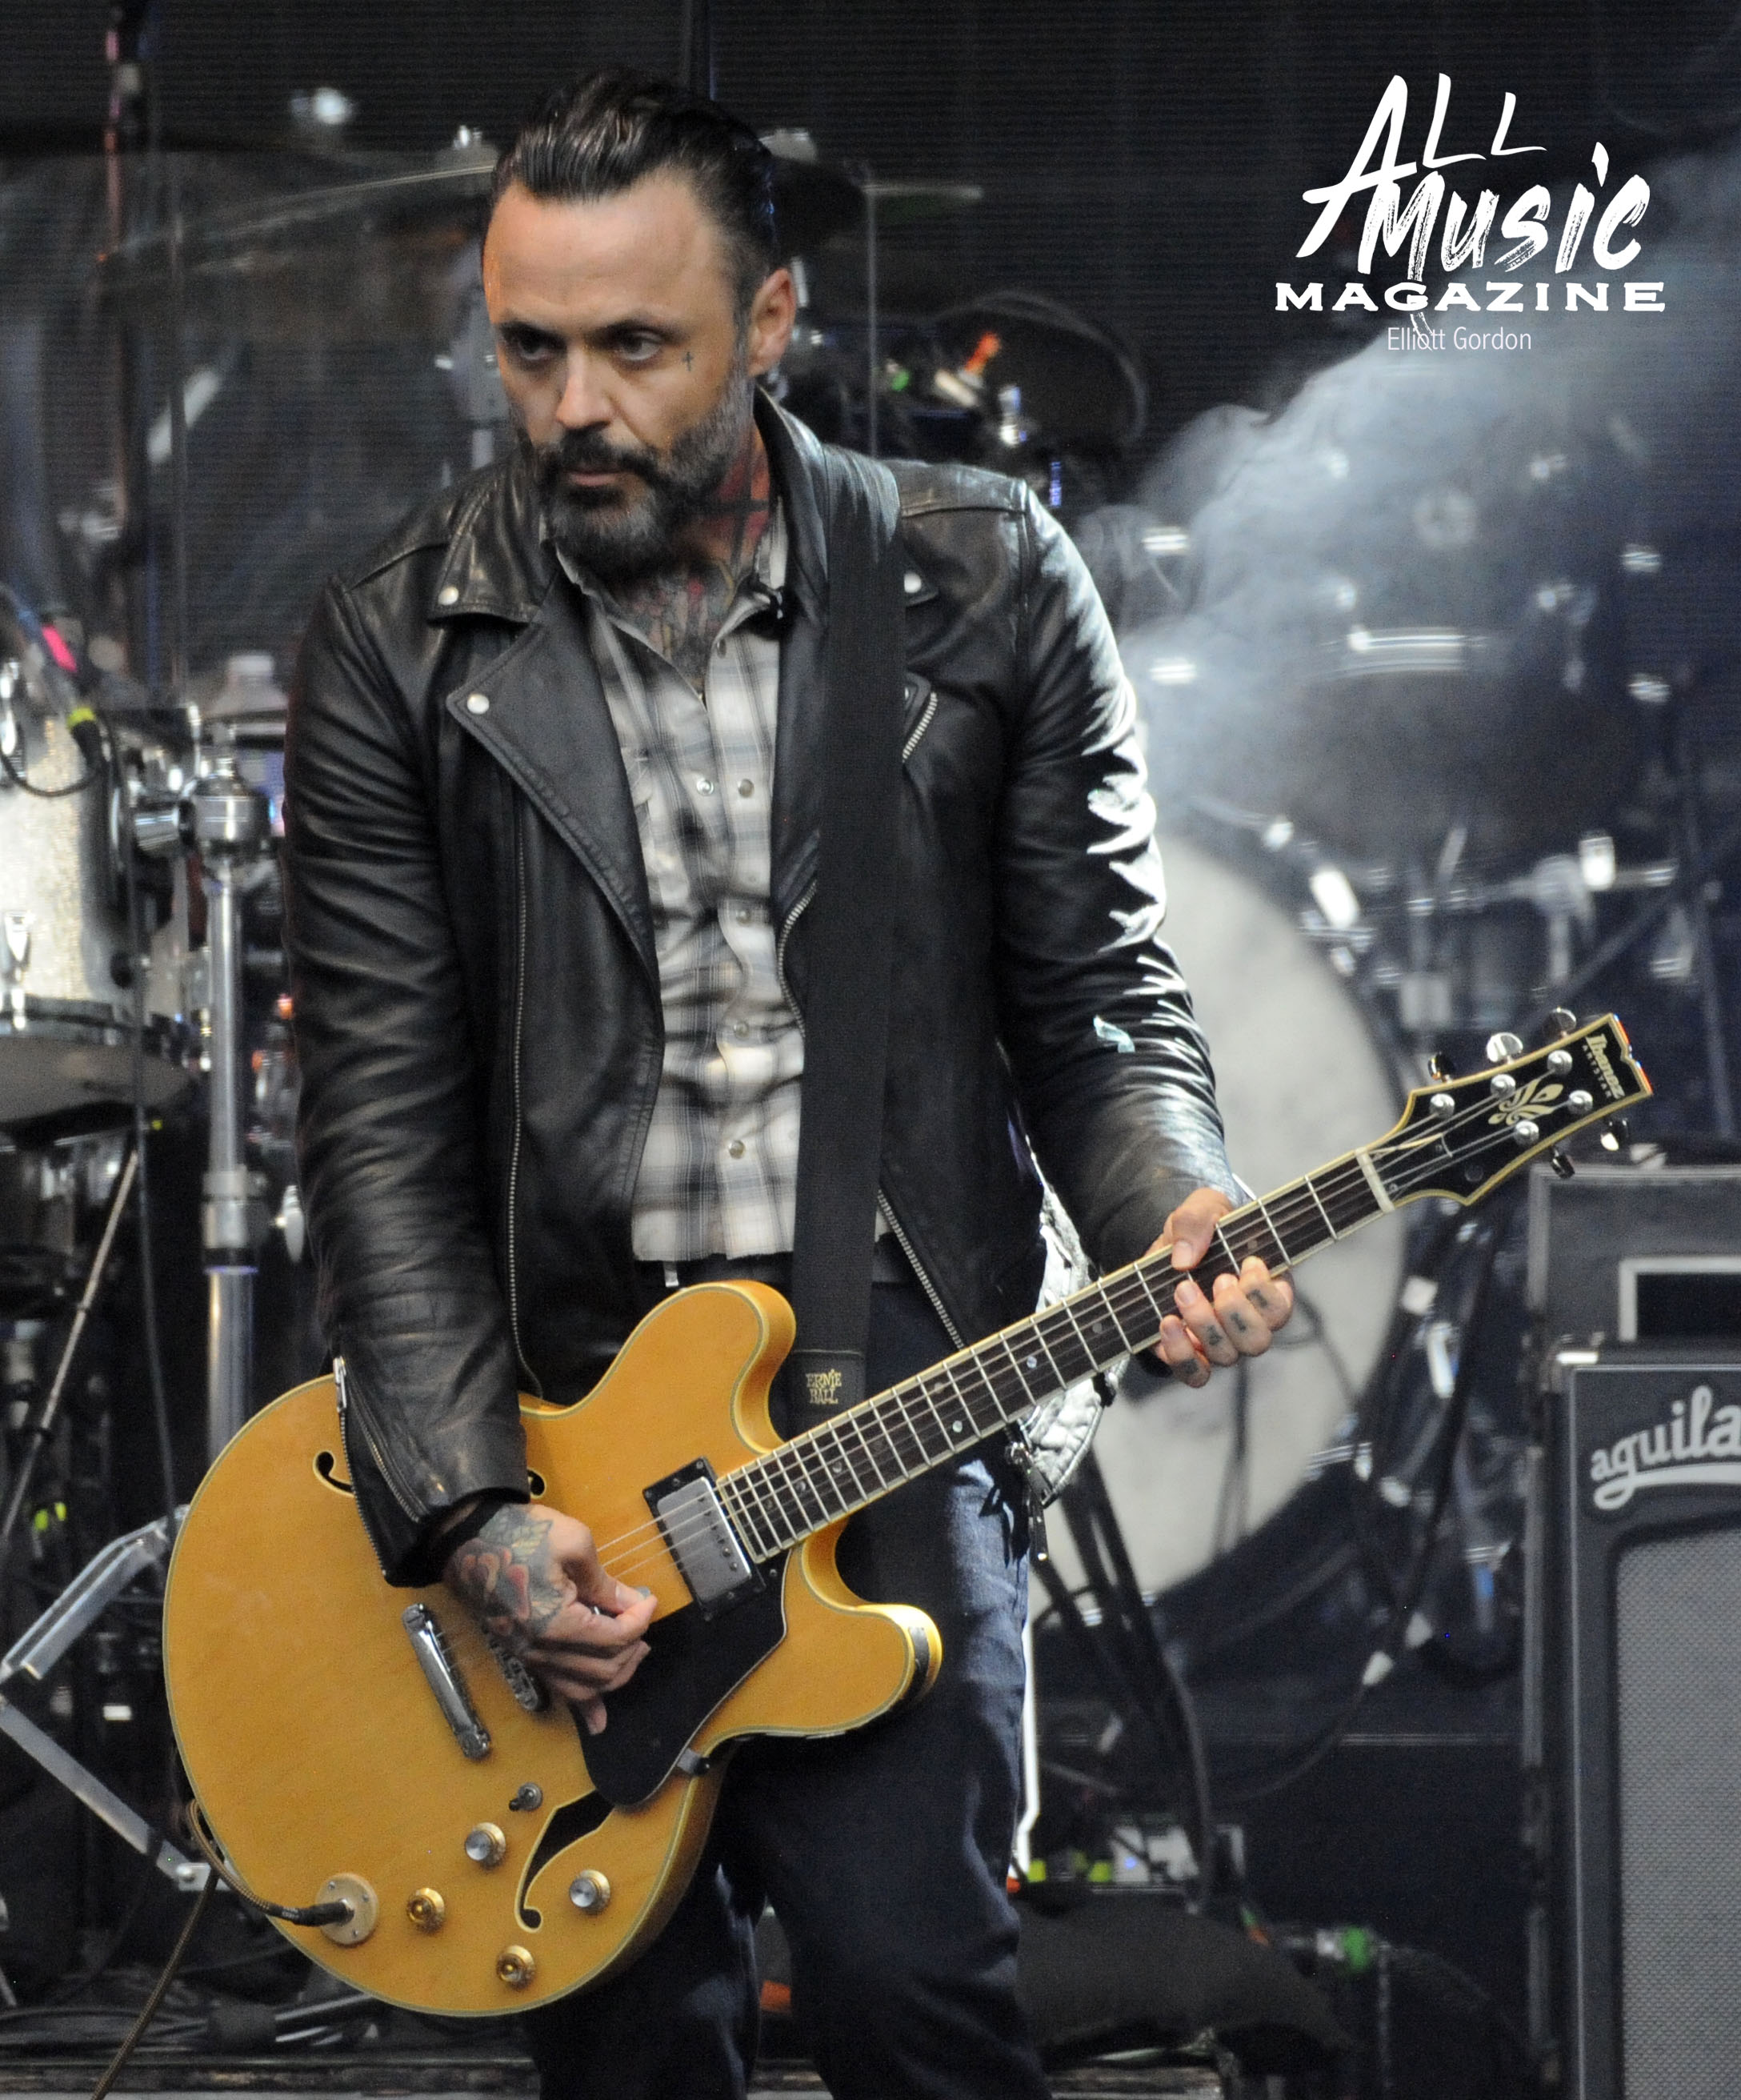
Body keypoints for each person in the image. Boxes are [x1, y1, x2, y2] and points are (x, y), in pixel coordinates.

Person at [284, 69, 1292, 2100]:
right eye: (529, 350)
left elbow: (1094, 1000)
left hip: (891, 1380)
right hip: (563, 1413)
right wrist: (471, 1503)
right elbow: (378, 1130)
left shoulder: (980, 580)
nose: (573, 407)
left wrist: (1165, 1202)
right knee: (622, 2043)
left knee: (913, 1995)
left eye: (634, 346)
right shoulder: (397, 647)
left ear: (768, 322)